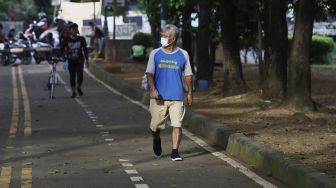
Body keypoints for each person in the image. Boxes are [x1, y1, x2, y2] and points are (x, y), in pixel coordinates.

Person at [145, 24, 193, 161]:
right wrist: (153, 90)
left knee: (177, 124)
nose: (162, 38)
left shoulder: (183, 54)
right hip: (158, 97)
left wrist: (190, 93)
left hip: (177, 96)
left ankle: (175, 151)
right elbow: (149, 74)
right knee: (155, 126)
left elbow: (188, 75)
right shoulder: (155, 53)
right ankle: (156, 138)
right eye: (162, 35)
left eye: (165, 36)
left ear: (173, 39)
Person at [61, 23, 89, 98]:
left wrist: (87, 60)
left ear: (77, 30)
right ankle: (73, 92)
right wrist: (63, 56)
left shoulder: (81, 39)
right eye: (72, 29)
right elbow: (62, 48)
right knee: (72, 76)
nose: (74, 30)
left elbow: (85, 50)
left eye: (75, 29)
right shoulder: (66, 39)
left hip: (79, 60)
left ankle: (79, 87)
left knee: (80, 74)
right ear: (70, 30)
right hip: (71, 60)